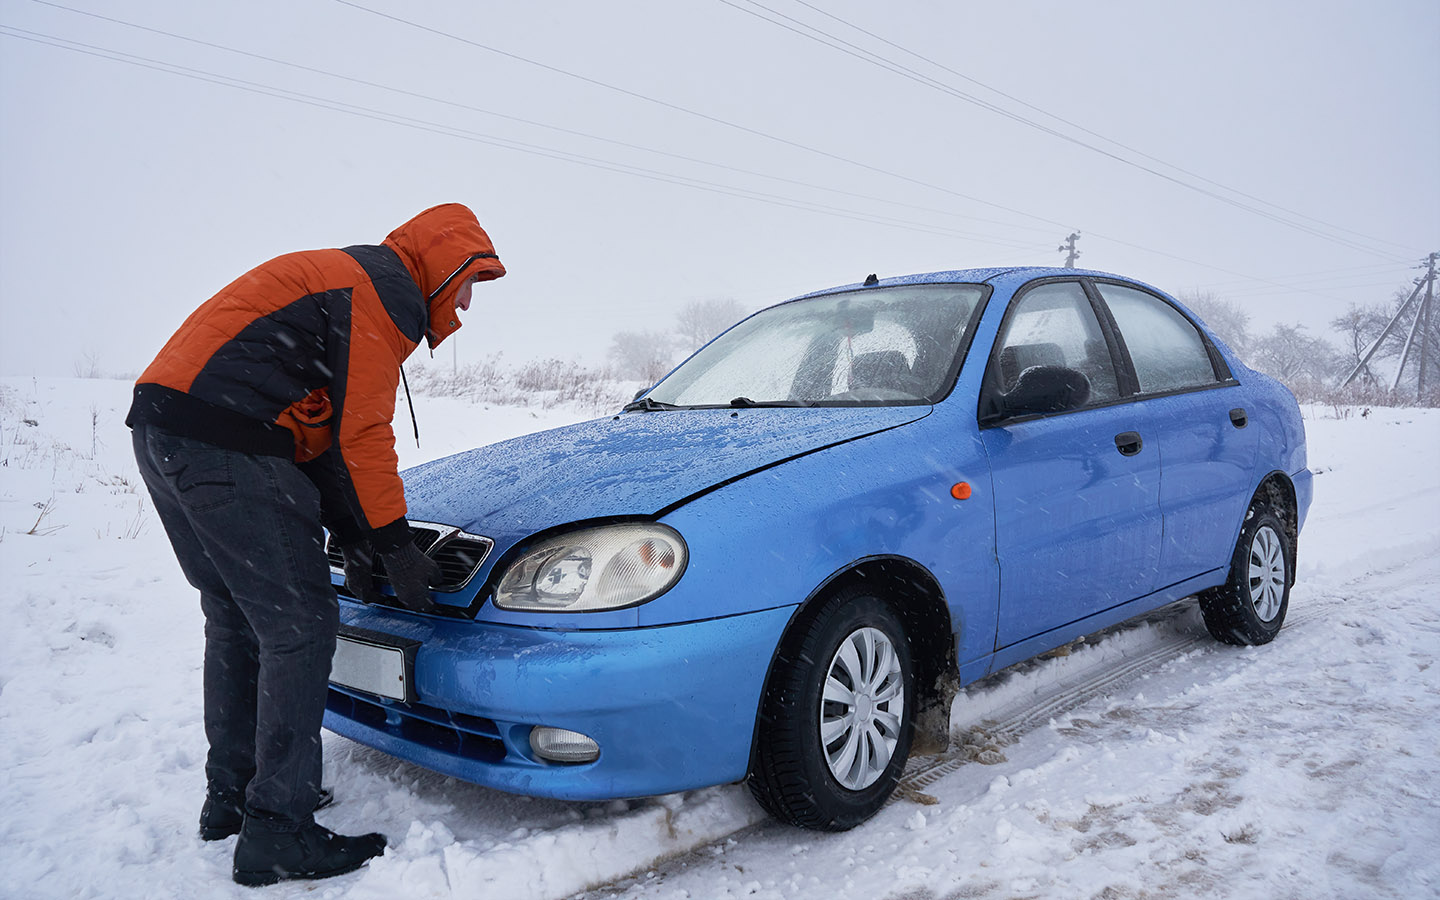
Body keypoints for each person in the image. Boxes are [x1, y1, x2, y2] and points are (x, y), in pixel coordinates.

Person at [126, 203, 506, 886]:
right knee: (300, 626)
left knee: (238, 617)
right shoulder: (380, 292)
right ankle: (278, 829)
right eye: (471, 284)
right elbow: (362, 434)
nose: (469, 304)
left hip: (166, 426)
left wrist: (355, 535)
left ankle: (235, 796)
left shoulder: (343, 281)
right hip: (225, 441)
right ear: (445, 264)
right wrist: (393, 545)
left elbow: (320, 435)